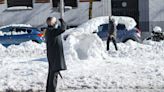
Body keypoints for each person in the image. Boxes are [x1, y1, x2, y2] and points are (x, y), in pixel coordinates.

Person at [45, 17, 67, 92]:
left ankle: (49, 90)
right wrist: (62, 21)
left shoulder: (50, 30)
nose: (56, 23)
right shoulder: (52, 31)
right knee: (53, 75)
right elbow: (63, 29)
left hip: (52, 55)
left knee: (52, 73)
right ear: (53, 23)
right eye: (55, 22)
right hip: (54, 56)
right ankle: (52, 90)